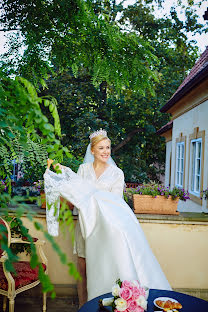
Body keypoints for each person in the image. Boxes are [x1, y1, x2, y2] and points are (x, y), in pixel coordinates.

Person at [44, 129, 171, 304]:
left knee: (102, 267)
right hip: (84, 226)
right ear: (92, 150)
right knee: (82, 268)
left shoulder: (117, 174)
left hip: (106, 229)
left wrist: (89, 196)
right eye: (101, 148)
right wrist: (61, 177)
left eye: (108, 148)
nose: (106, 151)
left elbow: (115, 204)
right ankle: (83, 305)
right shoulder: (83, 169)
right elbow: (76, 192)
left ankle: (100, 304)